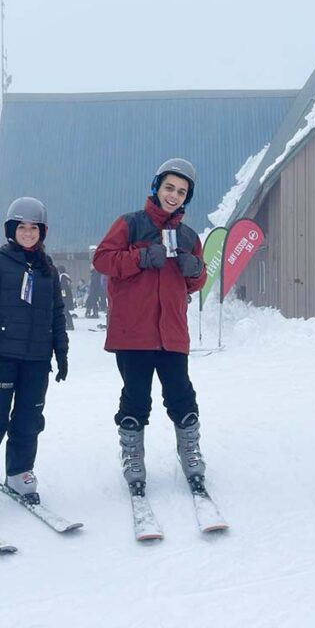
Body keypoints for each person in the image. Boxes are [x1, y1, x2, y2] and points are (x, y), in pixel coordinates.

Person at [93, 158, 209, 496]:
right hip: (133, 333)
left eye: (182, 192)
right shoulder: (129, 224)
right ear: (156, 187)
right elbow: (102, 260)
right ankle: (133, 457)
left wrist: (194, 269)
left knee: (182, 395)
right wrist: (140, 258)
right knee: (135, 397)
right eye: (169, 188)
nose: (174, 196)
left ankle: (190, 452)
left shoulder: (188, 236)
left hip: (171, 333)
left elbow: (193, 284)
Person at [0, 197, 69, 521]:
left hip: (36, 360)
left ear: (42, 231)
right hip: (2, 358)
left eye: (34, 228)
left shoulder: (46, 269)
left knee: (29, 420)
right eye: (23, 227)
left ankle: (19, 472)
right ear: (11, 230)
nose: (28, 233)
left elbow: (57, 314)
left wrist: (61, 352)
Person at [58, 266, 75, 330]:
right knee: (65, 310)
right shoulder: (67, 276)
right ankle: (69, 324)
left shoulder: (62, 276)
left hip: (65, 296)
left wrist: (63, 296)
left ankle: (70, 325)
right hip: (68, 295)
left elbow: (63, 287)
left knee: (65, 310)